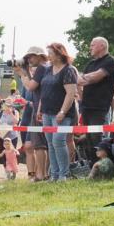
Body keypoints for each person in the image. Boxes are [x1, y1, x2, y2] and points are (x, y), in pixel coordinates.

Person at [37, 43, 78, 182]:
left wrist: (62, 111)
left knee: (58, 141)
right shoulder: (48, 70)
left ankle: (63, 174)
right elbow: (44, 91)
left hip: (62, 114)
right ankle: (54, 174)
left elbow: (71, 94)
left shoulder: (68, 70)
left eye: (50, 53)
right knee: (50, 143)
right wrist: (40, 109)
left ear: (59, 55)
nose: (48, 56)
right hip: (47, 112)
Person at [77, 37, 114, 165]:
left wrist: (84, 78)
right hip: (86, 106)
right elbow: (80, 81)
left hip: (100, 106)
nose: (90, 47)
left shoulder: (110, 61)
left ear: (102, 46)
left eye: (92, 45)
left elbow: (95, 77)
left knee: (97, 136)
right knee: (88, 137)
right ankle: (93, 165)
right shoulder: (90, 64)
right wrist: (84, 79)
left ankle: (105, 165)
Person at [12, 47, 49, 182]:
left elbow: (31, 87)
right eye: (27, 58)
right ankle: (36, 174)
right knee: (36, 145)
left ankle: (42, 173)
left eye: (31, 57)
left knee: (41, 145)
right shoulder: (42, 69)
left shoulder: (43, 69)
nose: (29, 60)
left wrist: (21, 73)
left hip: (40, 111)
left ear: (39, 56)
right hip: (32, 114)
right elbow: (29, 89)